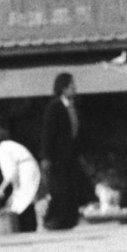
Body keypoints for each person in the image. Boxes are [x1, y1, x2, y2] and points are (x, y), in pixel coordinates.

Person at [38, 72, 88, 231]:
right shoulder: (55, 107)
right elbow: (48, 133)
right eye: (71, 85)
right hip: (57, 157)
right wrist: (46, 157)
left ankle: (69, 220)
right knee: (59, 190)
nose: (74, 88)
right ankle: (54, 220)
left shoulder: (74, 107)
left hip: (71, 157)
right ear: (63, 88)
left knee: (72, 189)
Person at [0, 126, 42, 233]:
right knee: (28, 197)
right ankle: (37, 225)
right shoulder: (10, 145)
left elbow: (10, 172)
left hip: (25, 170)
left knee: (24, 200)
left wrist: (1, 188)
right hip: (28, 167)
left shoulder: (2, 148)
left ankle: (28, 226)